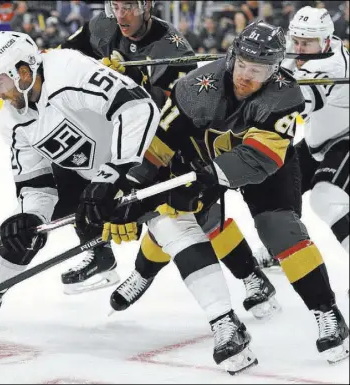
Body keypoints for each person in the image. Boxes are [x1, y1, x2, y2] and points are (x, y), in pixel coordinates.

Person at [99, 20, 350, 366]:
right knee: (180, 217)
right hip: (206, 161)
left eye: (259, 69)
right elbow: (162, 141)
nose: (247, 76)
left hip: (269, 171)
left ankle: (328, 312)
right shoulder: (195, 86)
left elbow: (260, 157)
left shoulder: (285, 93)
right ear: (232, 57)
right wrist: (134, 182)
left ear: (275, 70)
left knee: (280, 232)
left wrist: (204, 180)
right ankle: (144, 272)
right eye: (243, 65)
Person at [0, 31, 160, 332]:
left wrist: (115, 174)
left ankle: (238, 287)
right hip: (95, 178)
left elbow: (138, 107)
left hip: (150, 161)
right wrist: (31, 215)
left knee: (184, 228)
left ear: (22, 72)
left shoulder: (68, 71)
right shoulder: (11, 121)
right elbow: (35, 182)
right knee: (25, 231)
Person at [56, 0, 197, 295]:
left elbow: (173, 115)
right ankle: (97, 251)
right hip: (112, 131)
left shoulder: (174, 49)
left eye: (129, 7)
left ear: (148, 7)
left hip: (154, 141)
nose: (121, 15)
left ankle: (242, 275)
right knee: (66, 159)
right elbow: (60, 60)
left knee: (183, 219)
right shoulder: (101, 26)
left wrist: (130, 80)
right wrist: (93, 69)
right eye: (116, 6)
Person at [254, 7, 349, 279]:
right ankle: (282, 246)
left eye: (306, 44)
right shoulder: (317, 50)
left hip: (344, 139)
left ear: (326, 41)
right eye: (296, 42)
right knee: (277, 179)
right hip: (320, 141)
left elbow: (300, 102)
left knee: (326, 198)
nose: (299, 49)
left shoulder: (330, 67)